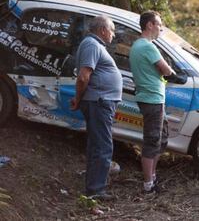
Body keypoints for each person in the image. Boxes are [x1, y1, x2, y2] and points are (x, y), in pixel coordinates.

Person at [71, 15, 122, 200]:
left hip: (99, 102)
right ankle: (96, 191)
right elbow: (83, 76)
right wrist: (78, 98)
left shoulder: (94, 45)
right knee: (102, 146)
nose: (113, 34)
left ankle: (93, 188)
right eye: (112, 30)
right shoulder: (92, 44)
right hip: (99, 102)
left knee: (97, 145)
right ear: (102, 30)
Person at [129, 11, 174, 193]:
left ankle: (152, 178)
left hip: (151, 97)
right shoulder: (148, 46)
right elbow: (166, 70)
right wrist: (170, 70)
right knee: (152, 140)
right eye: (159, 24)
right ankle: (148, 184)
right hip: (152, 98)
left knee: (160, 138)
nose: (161, 28)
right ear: (149, 25)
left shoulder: (138, 45)